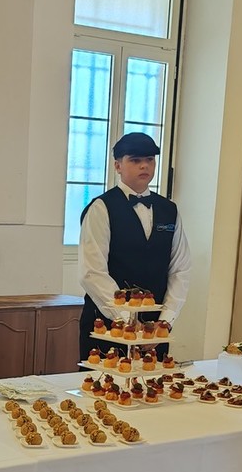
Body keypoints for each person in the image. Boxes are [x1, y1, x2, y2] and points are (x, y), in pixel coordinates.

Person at [77, 131, 191, 361]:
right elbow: (92, 272)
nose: (144, 166)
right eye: (135, 160)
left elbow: (180, 269)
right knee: (104, 381)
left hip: (155, 329)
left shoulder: (169, 210)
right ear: (118, 165)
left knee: (152, 380)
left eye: (149, 159)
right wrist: (128, 320)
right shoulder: (101, 208)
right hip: (107, 324)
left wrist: (165, 322)